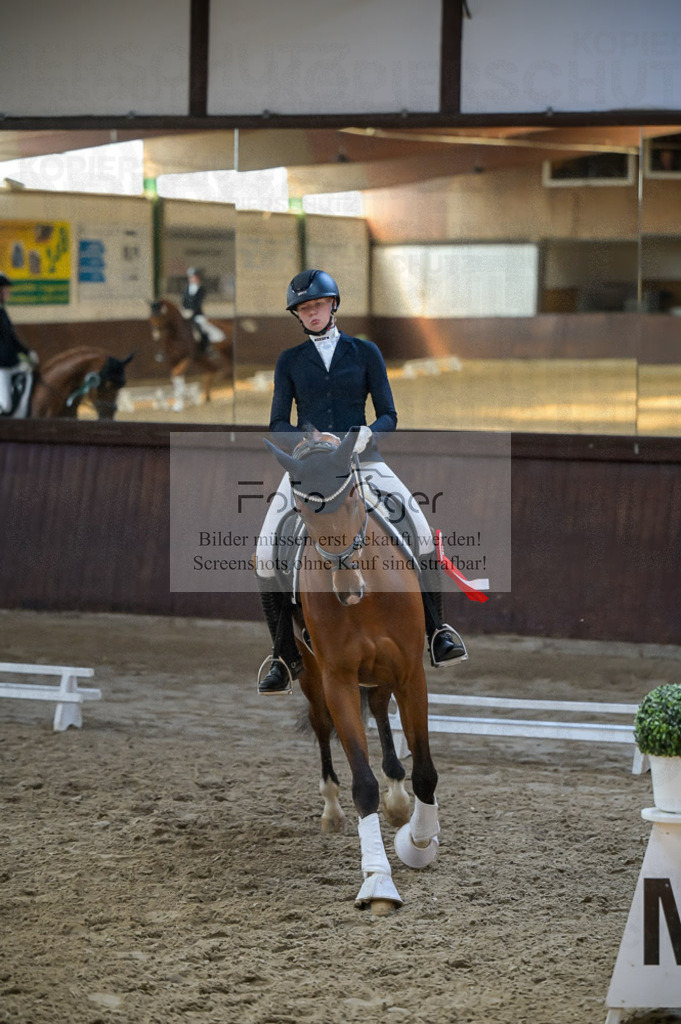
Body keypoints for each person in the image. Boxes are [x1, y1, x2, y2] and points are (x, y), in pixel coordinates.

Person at [255, 268, 467, 695]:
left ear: (332, 305)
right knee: (264, 551)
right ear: (298, 315)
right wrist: (311, 443)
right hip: (310, 467)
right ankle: (283, 654)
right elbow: (278, 421)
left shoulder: (365, 352)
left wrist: (361, 436)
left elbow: (388, 413)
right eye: (303, 310)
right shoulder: (290, 361)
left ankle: (437, 631)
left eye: (317, 305)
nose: (311, 314)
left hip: (363, 460)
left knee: (421, 531)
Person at [0, 273, 37, 416]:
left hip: (11, 363)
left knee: (30, 378)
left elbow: (12, 339)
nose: (7, 292)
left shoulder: (2, 312)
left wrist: (27, 353)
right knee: (6, 405)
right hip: (1, 367)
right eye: (4, 289)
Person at [181, 268, 225, 351]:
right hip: (186, 313)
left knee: (201, 327)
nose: (192, 279)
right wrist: (186, 309)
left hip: (197, 314)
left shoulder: (201, 289)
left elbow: (198, 303)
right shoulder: (185, 289)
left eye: (194, 277)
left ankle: (205, 347)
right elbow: (183, 301)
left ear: (197, 278)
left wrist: (192, 312)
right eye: (191, 277)